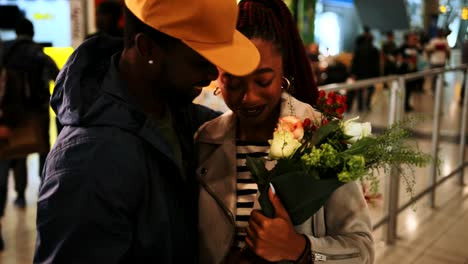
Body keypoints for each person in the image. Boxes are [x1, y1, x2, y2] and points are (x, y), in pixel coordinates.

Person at [34, 0, 260, 263]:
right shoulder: (90, 160)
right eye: (200, 61)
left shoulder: (172, 112)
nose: (211, 74)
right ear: (147, 48)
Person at [195, 0, 374, 263]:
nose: (248, 97)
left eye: (263, 80)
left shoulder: (321, 136)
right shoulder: (206, 140)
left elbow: (362, 251)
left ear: (283, 74)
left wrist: (301, 249)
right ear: (218, 76)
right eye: (233, 81)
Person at [0, 18, 59, 211]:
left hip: (13, 112)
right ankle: (45, 188)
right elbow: (57, 77)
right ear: (32, 32)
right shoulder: (37, 52)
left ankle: (19, 194)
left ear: (16, 33)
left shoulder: (5, 51)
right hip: (38, 111)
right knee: (43, 149)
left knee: (18, 152)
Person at [348, 34, 380, 112]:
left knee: (360, 90)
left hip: (359, 73)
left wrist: (352, 72)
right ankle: (367, 104)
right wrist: (377, 74)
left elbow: (354, 62)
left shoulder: (358, 49)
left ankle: (360, 106)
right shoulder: (374, 49)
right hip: (370, 73)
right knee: (371, 89)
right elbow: (376, 64)